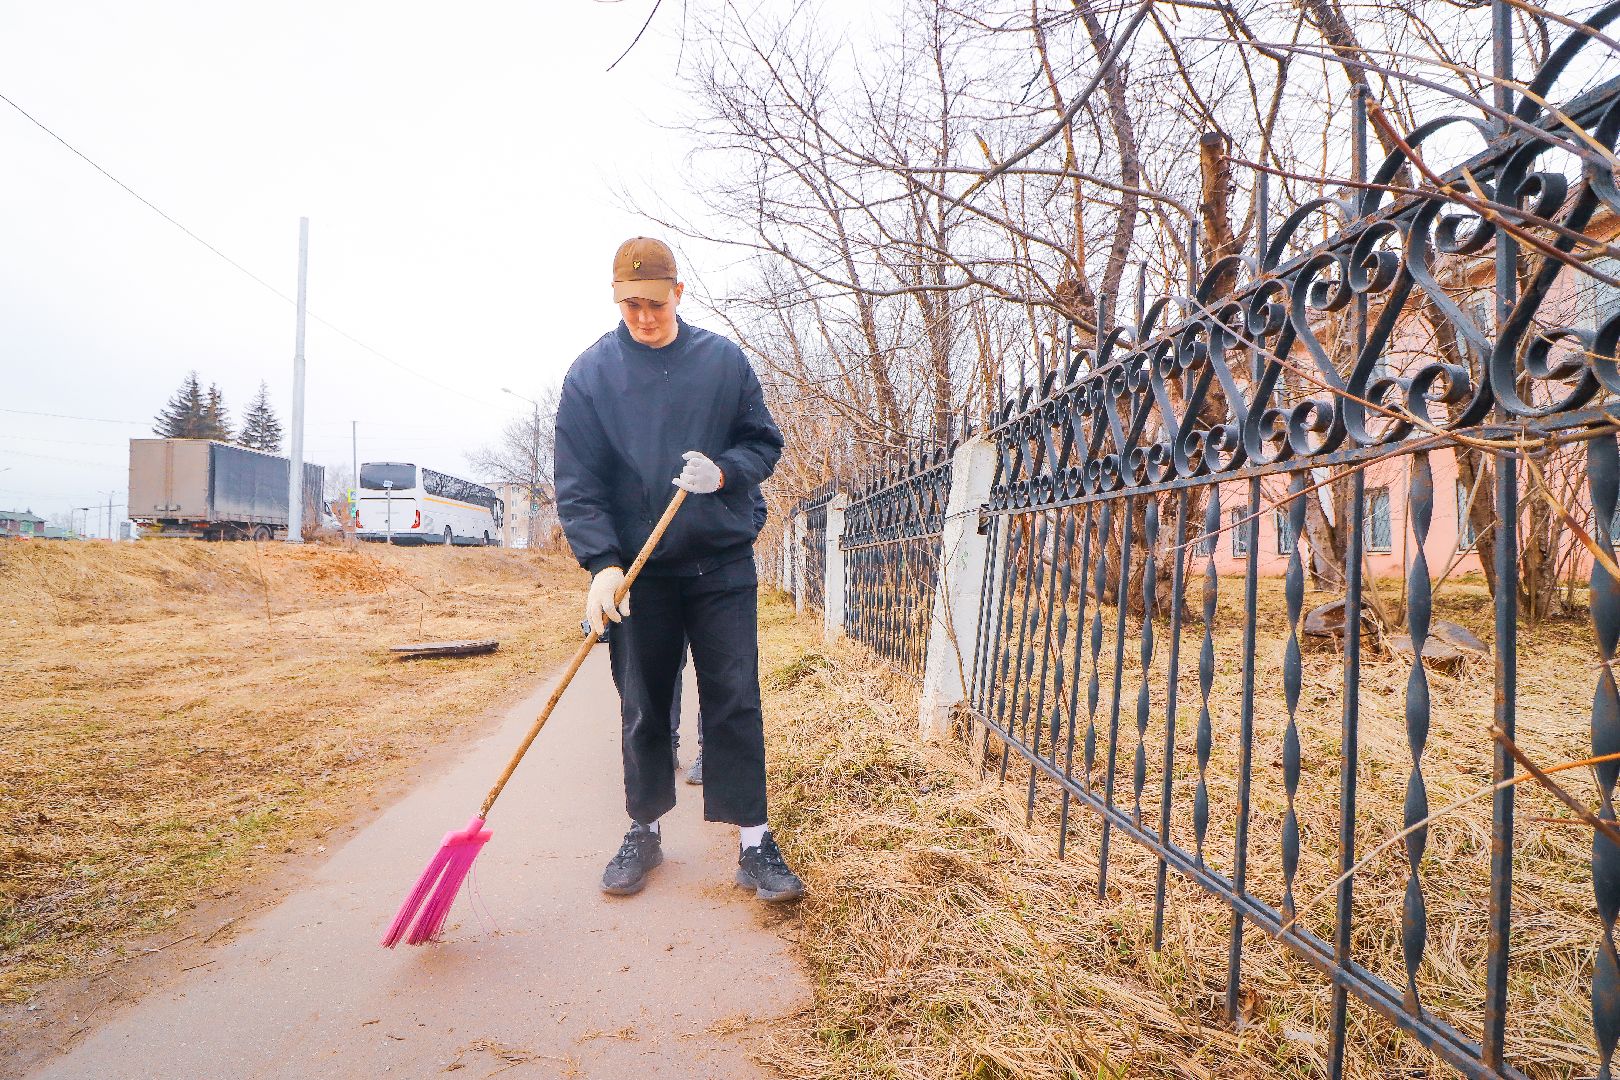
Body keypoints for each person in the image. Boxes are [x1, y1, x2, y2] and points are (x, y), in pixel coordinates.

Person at [554, 236, 804, 903]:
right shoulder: (591, 376)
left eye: (654, 303)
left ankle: (755, 844)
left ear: (679, 295)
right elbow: (578, 483)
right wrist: (603, 565)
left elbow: (763, 443)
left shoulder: (721, 363)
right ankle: (645, 831)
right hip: (642, 578)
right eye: (630, 304)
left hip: (720, 563)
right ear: (616, 300)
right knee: (643, 705)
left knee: (735, 700)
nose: (643, 316)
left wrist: (724, 472)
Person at [670, 489, 767, 786]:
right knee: (664, 668)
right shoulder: (652, 460)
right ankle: (664, 746)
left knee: (716, 672)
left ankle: (709, 751)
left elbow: (756, 510)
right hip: (662, 583)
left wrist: (727, 544)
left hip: (715, 586)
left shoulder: (720, 461)